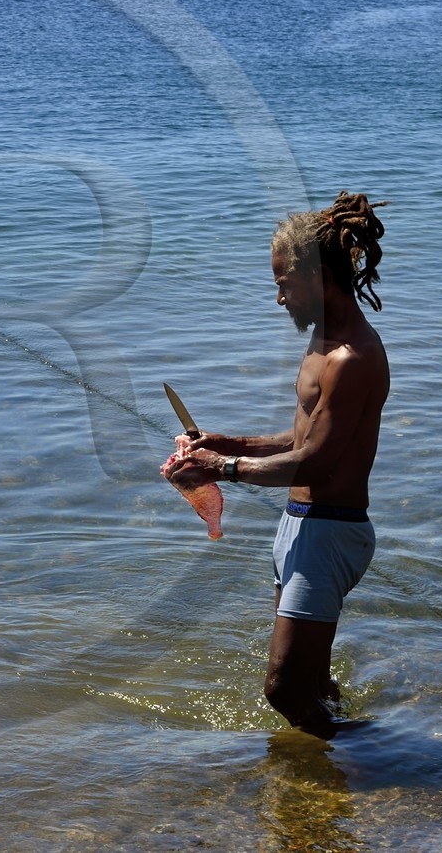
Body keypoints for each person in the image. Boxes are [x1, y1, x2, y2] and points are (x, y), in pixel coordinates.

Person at [162, 191, 390, 739]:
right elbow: (303, 435)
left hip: (330, 535)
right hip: (299, 526)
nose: (279, 298)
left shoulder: (353, 357)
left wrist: (223, 468)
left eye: (284, 283)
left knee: (283, 689)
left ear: (317, 275)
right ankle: (325, 762)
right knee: (312, 682)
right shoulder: (323, 339)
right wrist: (226, 441)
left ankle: (367, 758)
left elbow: (315, 462)